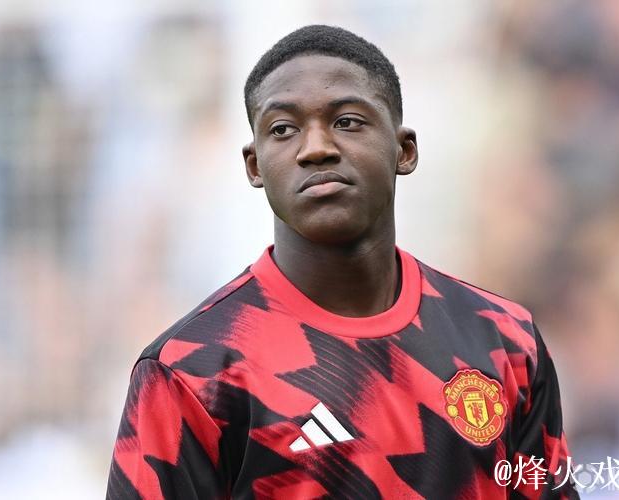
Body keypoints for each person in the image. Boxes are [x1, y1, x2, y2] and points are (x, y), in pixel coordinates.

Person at [106, 25, 579, 499]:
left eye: (347, 121)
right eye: (283, 129)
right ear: (254, 166)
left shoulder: (504, 339)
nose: (316, 148)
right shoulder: (191, 372)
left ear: (404, 150)